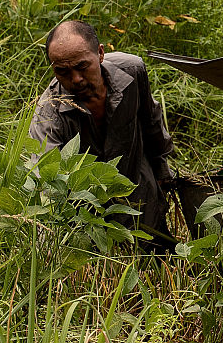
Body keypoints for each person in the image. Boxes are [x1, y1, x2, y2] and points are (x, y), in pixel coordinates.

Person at [30, 20, 177, 246]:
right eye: (63, 71)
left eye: (82, 67)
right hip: (89, 217)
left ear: (100, 54)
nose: (76, 79)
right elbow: (47, 182)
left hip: (141, 199)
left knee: (160, 260)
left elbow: (152, 123)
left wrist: (162, 172)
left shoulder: (132, 71)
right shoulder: (49, 114)